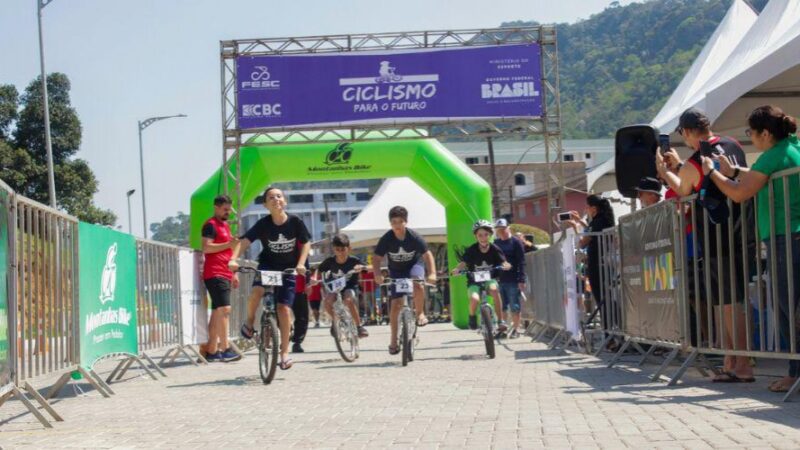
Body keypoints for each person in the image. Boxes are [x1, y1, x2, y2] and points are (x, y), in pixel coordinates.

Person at [702, 105, 799, 391]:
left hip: (785, 239)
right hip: (790, 238)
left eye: (751, 133)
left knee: (786, 310)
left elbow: (740, 193)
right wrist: (736, 170)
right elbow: (759, 174)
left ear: (765, 133)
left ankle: (794, 373)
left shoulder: (772, 156)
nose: (751, 139)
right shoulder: (791, 148)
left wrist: (715, 174)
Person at [656, 107, 754, 383]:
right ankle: (732, 360)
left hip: (715, 234)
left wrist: (666, 171)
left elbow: (684, 188)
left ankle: (742, 364)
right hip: (740, 229)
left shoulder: (697, 159)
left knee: (728, 303)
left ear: (687, 132)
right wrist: (678, 167)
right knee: (730, 301)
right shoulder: (732, 144)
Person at [229, 187, 310, 371]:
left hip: (288, 269)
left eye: (279, 196)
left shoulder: (295, 221)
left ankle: (284, 354)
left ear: (285, 201)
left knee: (283, 308)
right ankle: (249, 322)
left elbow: (306, 243)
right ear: (265, 204)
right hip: (267, 266)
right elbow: (245, 241)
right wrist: (233, 259)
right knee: (257, 291)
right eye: (271, 197)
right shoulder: (263, 224)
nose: (276, 199)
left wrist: (301, 263)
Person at [373, 206, 437, 355]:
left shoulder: (414, 237)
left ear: (405, 222)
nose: (396, 225)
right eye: (393, 222)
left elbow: (427, 255)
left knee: (418, 284)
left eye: (400, 222)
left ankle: (420, 313)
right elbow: (377, 258)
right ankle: (394, 340)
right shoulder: (387, 238)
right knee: (396, 304)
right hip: (397, 271)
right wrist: (377, 274)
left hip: (414, 266)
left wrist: (432, 273)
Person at [567, 195, 616, 348]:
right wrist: (580, 221)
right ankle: (610, 337)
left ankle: (611, 338)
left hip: (598, 266)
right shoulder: (602, 220)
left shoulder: (598, 222)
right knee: (605, 301)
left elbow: (582, 242)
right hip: (602, 265)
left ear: (594, 209)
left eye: (587, 207)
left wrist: (575, 227)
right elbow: (590, 229)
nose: (585, 210)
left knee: (603, 301)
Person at [201, 195, 242, 363]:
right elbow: (206, 247)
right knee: (225, 309)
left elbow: (229, 252)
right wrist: (228, 245)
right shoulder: (210, 225)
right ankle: (225, 348)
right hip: (214, 272)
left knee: (218, 312)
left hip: (225, 272)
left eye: (229, 210)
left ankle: (211, 350)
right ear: (216, 207)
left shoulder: (224, 225)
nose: (228, 213)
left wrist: (234, 273)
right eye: (225, 210)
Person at [452, 220, 511, 331]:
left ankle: (500, 320)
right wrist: (457, 269)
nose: (483, 238)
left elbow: (503, 261)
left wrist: (506, 265)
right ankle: (472, 317)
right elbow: (464, 262)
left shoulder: (495, 248)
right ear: (475, 236)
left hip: (490, 279)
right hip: (474, 281)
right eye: (480, 235)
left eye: (486, 235)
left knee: (494, 291)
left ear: (490, 235)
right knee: (474, 299)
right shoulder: (472, 250)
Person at [316, 234, 370, 338]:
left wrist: (361, 267)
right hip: (335, 288)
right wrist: (314, 278)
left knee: (348, 300)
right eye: (337, 249)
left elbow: (367, 267)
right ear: (334, 249)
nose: (340, 252)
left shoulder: (354, 260)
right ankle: (336, 321)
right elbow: (319, 269)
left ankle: (359, 326)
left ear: (349, 248)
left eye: (343, 249)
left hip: (350, 287)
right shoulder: (330, 261)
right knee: (327, 301)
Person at [493, 219, 527, 338]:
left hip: (513, 279)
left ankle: (516, 329)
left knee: (514, 306)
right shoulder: (495, 243)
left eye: (503, 229)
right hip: (499, 280)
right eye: (499, 229)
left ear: (508, 228)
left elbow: (522, 262)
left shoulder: (516, 242)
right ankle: (503, 329)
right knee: (502, 306)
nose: (501, 231)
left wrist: (521, 279)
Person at [291, 254, 310, 353]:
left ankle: (297, 342)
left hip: (299, 287)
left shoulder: (302, 245)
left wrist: (308, 283)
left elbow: (307, 266)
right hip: (281, 284)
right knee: (278, 312)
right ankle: (285, 331)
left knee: (302, 316)